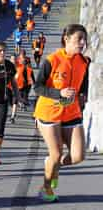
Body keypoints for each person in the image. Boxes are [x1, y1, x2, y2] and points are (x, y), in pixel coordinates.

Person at [33, 24, 89, 202]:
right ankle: (46, 187)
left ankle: (53, 164)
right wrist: (59, 93)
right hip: (49, 112)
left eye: (84, 39)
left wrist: (82, 97)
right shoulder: (52, 60)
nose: (82, 42)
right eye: (79, 38)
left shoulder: (84, 61)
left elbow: (82, 85)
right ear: (66, 38)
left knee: (78, 156)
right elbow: (38, 87)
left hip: (72, 113)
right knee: (56, 154)